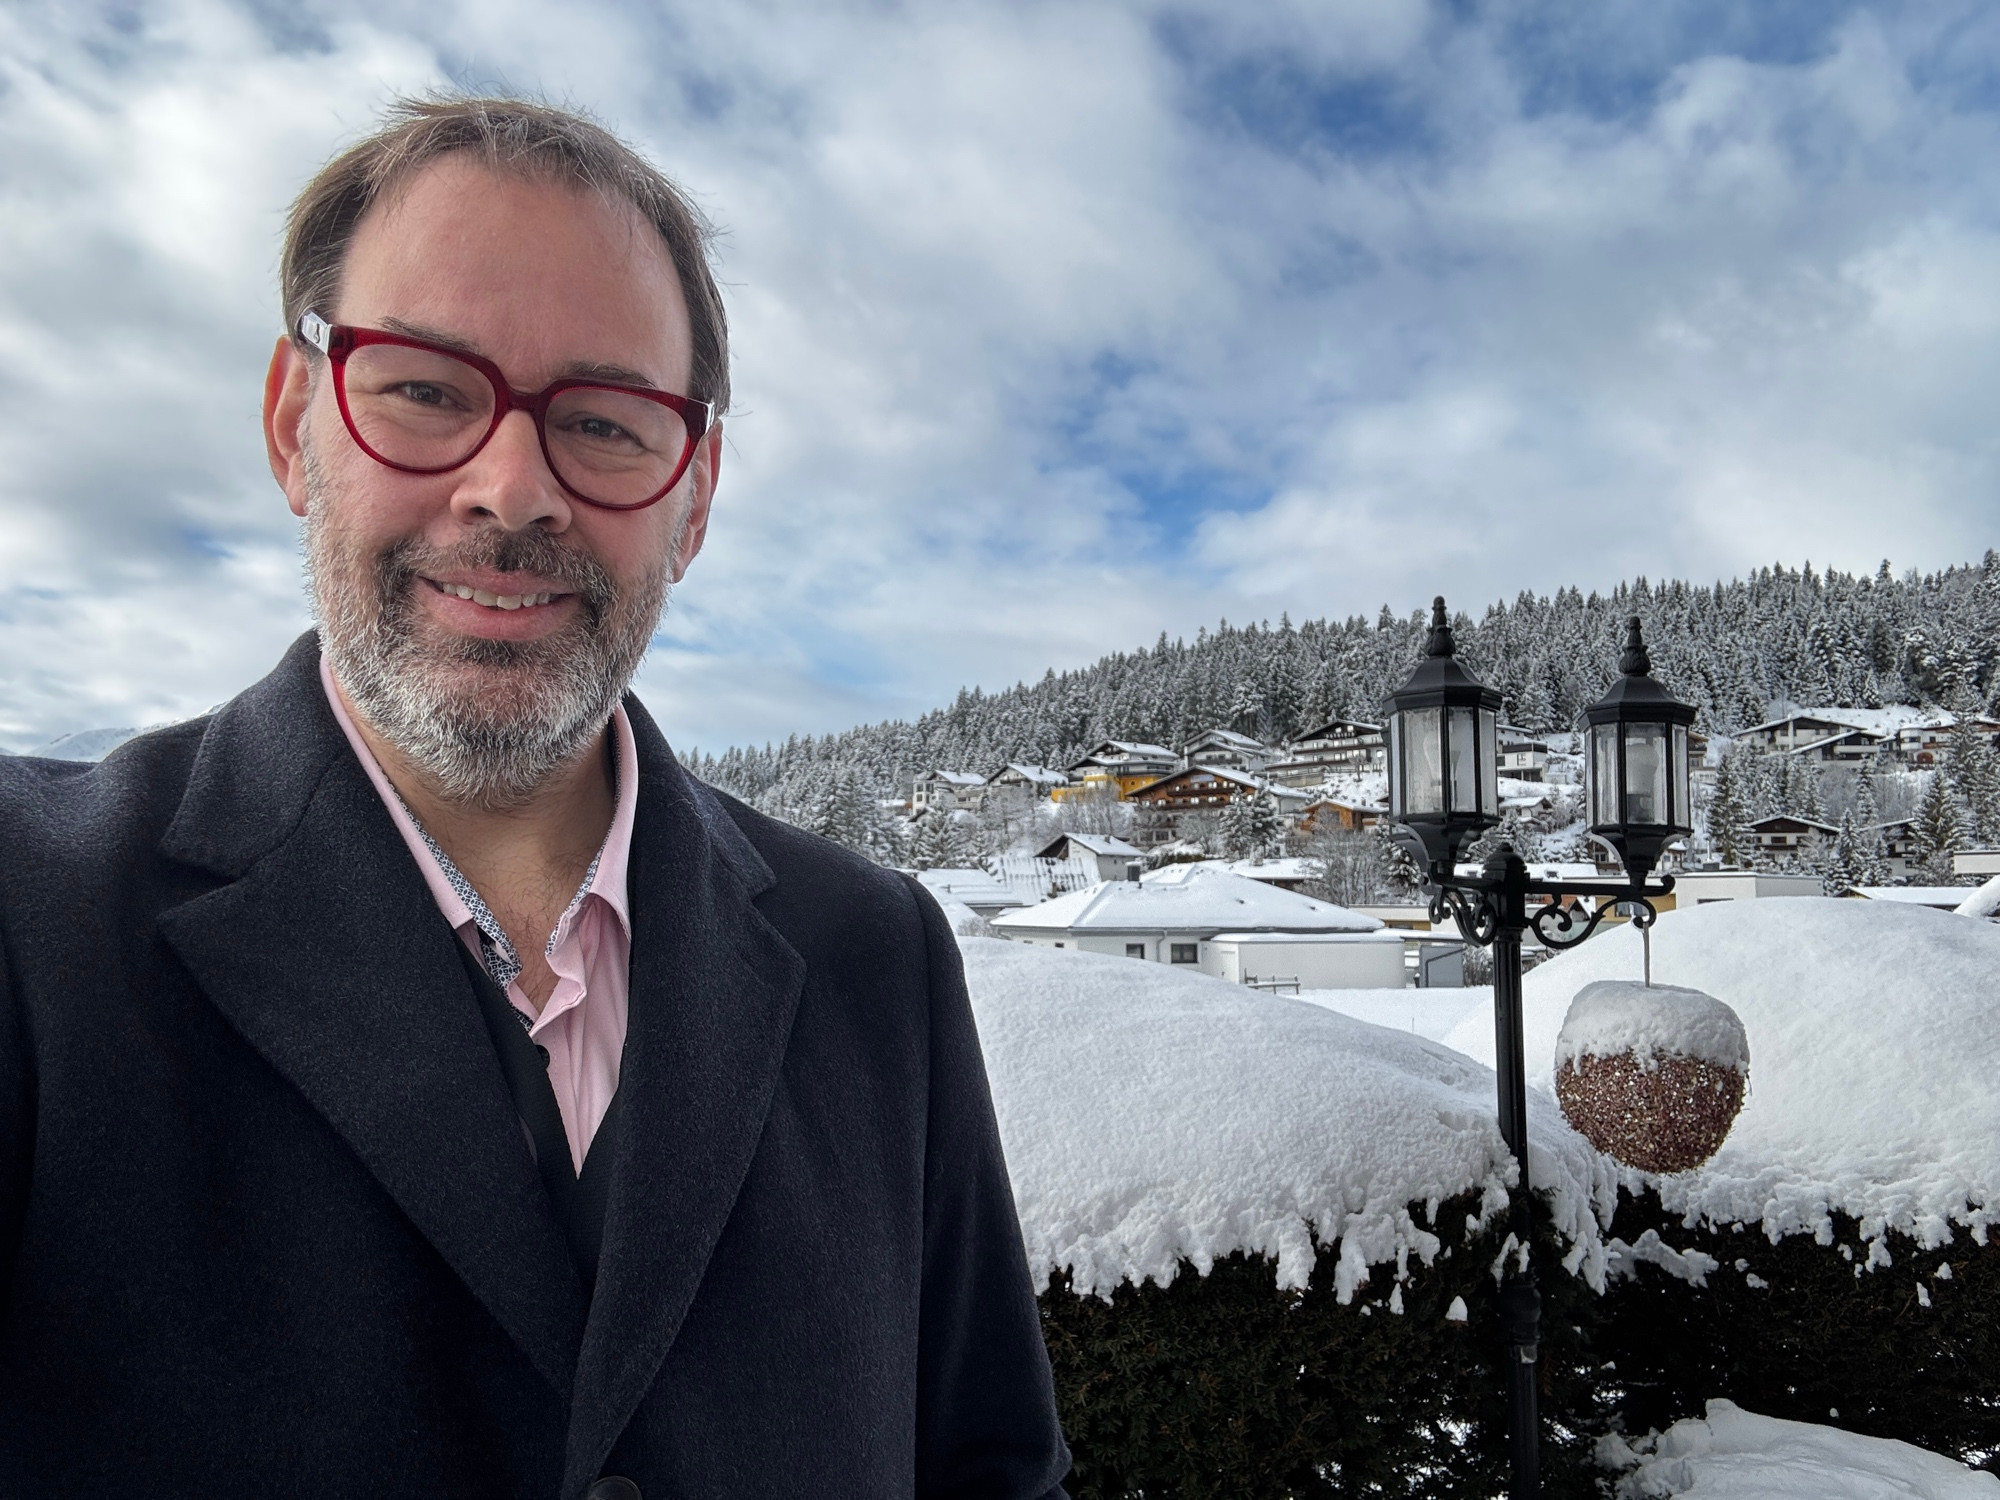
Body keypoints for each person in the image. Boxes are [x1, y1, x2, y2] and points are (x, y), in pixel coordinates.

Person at [0, 96, 1069, 1499]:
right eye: (426, 391)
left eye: (605, 421)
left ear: (694, 498)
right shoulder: (32, 922)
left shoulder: (879, 957)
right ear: (294, 423)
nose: (511, 490)